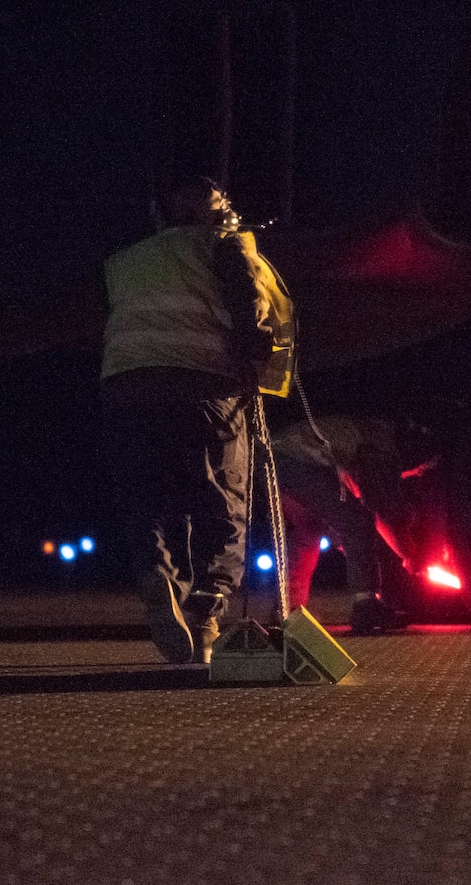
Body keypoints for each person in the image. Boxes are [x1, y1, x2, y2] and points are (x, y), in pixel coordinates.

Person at [100, 170, 293, 665]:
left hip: (128, 388)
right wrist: (256, 356)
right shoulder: (224, 244)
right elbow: (247, 301)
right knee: (222, 496)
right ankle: (206, 612)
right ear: (220, 211)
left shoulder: (126, 260)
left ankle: (159, 577)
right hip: (204, 384)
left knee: (149, 496)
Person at [270, 415, 408, 633]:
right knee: (358, 521)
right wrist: (408, 555)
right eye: (422, 469)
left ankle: (288, 610)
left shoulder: (371, 436)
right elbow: (375, 508)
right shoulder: (381, 448)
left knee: (309, 528)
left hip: (272, 458)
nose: (420, 473)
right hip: (294, 460)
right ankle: (367, 607)